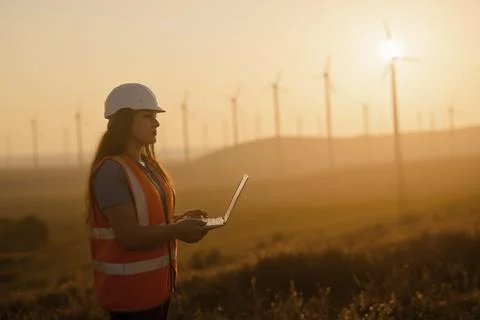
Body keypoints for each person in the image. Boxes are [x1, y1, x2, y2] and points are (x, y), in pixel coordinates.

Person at [85, 83, 209, 320]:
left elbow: (147, 220)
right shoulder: (111, 171)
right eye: (148, 116)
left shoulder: (148, 167)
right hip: (129, 299)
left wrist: (180, 220)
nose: (157, 123)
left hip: (158, 289)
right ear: (125, 120)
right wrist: (177, 230)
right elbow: (129, 236)